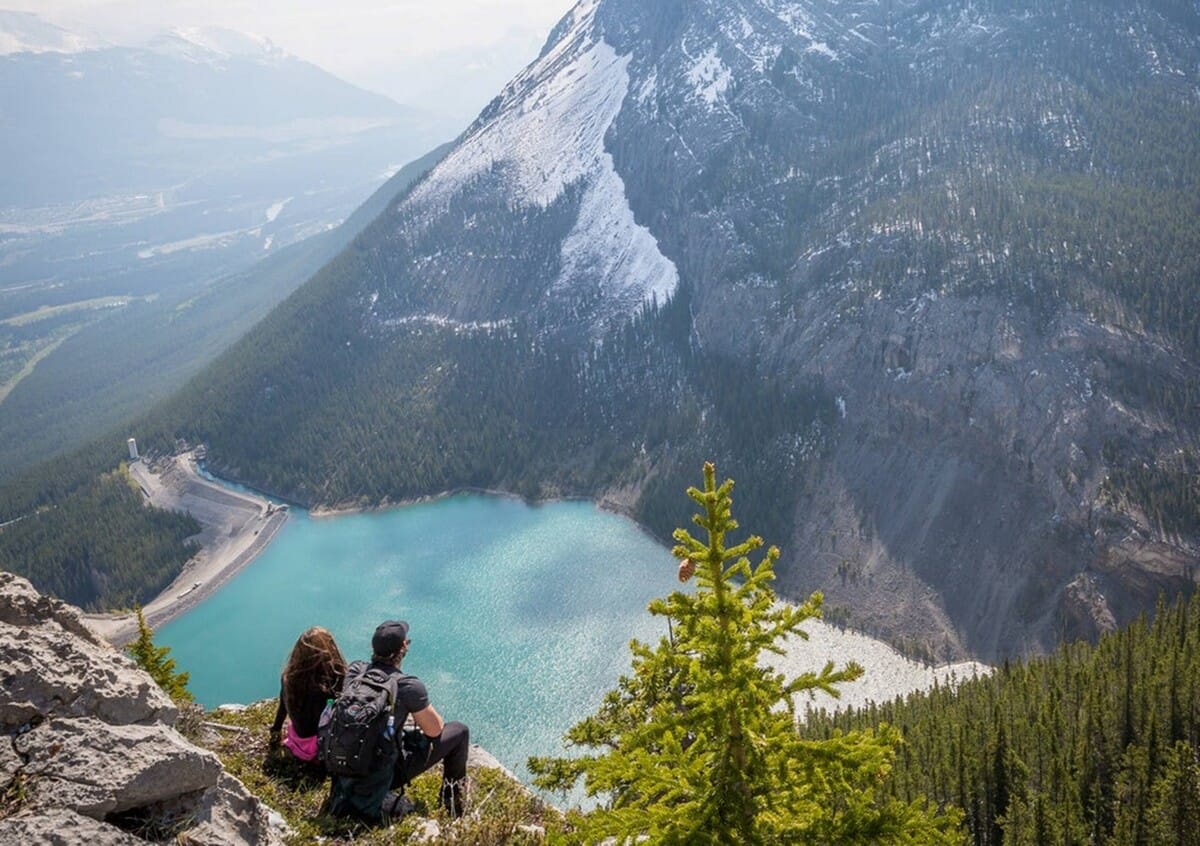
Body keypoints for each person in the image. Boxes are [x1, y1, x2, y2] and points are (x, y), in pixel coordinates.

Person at [328, 620, 470, 822]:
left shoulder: (355, 671)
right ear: (403, 647)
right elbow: (435, 731)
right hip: (383, 773)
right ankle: (452, 802)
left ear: (373, 648)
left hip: (346, 765)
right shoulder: (408, 685)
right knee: (459, 731)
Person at [269, 626, 346, 763]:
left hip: (298, 742)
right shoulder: (335, 680)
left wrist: (276, 730)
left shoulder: (288, 677)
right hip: (321, 747)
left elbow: (282, 707)